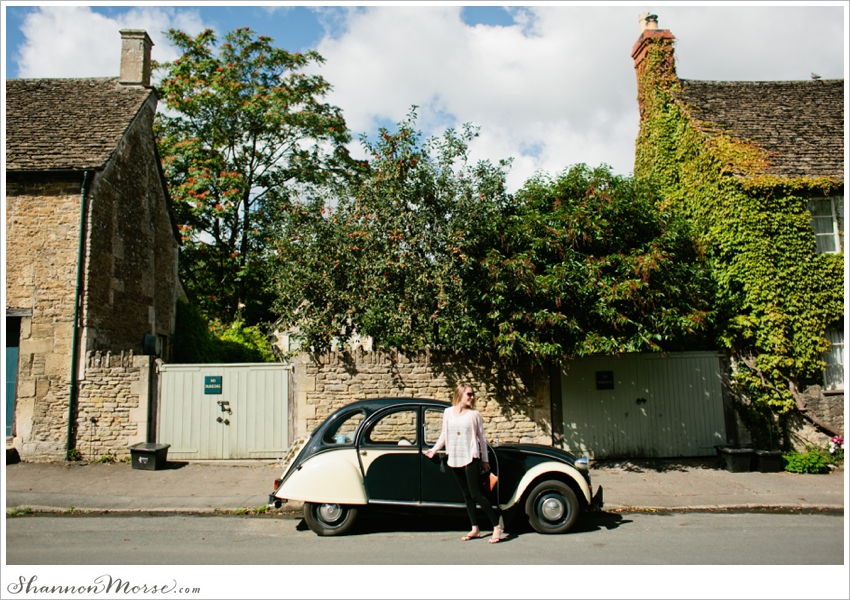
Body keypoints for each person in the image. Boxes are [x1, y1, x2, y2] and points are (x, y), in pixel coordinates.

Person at [423, 384, 504, 543]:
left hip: (471, 457)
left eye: (473, 394)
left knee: (476, 494)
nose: (472, 397)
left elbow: (481, 439)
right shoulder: (447, 413)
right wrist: (433, 450)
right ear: (460, 395)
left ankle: (496, 526)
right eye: (469, 394)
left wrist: (485, 460)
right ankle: (475, 528)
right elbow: (444, 435)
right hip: (454, 457)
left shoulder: (474, 415)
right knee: (467, 495)